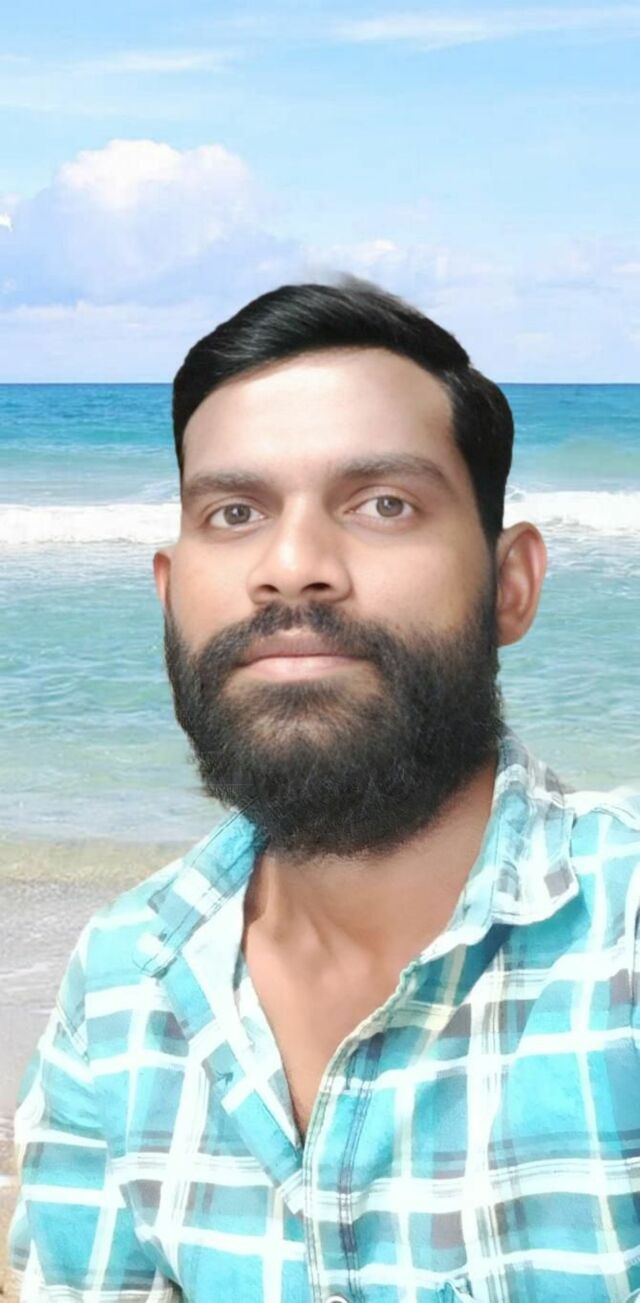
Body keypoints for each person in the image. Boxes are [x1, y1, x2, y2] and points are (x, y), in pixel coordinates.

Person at [8, 279, 640, 1303]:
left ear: (512, 584)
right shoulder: (123, 982)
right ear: (169, 595)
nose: (292, 566)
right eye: (235, 512)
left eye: (384, 504)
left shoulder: (623, 936)